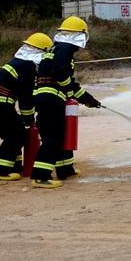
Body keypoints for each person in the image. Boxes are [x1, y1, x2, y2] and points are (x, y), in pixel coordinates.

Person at [30, 16, 102, 189]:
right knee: (52, 138)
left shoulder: (57, 49)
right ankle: (40, 176)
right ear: (78, 35)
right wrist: (70, 91)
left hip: (49, 98)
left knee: (60, 135)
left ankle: (65, 169)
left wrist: (89, 100)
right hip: (51, 99)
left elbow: (69, 83)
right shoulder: (65, 49)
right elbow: (60, 74)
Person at [0, 32, 52, 181]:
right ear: (41, 52)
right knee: (16, 135)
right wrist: (29, 119)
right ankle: (0, 171)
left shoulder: (19, 62)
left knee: (15, 134)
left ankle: (15, 166)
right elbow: (25, 97)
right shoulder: (27, 67)